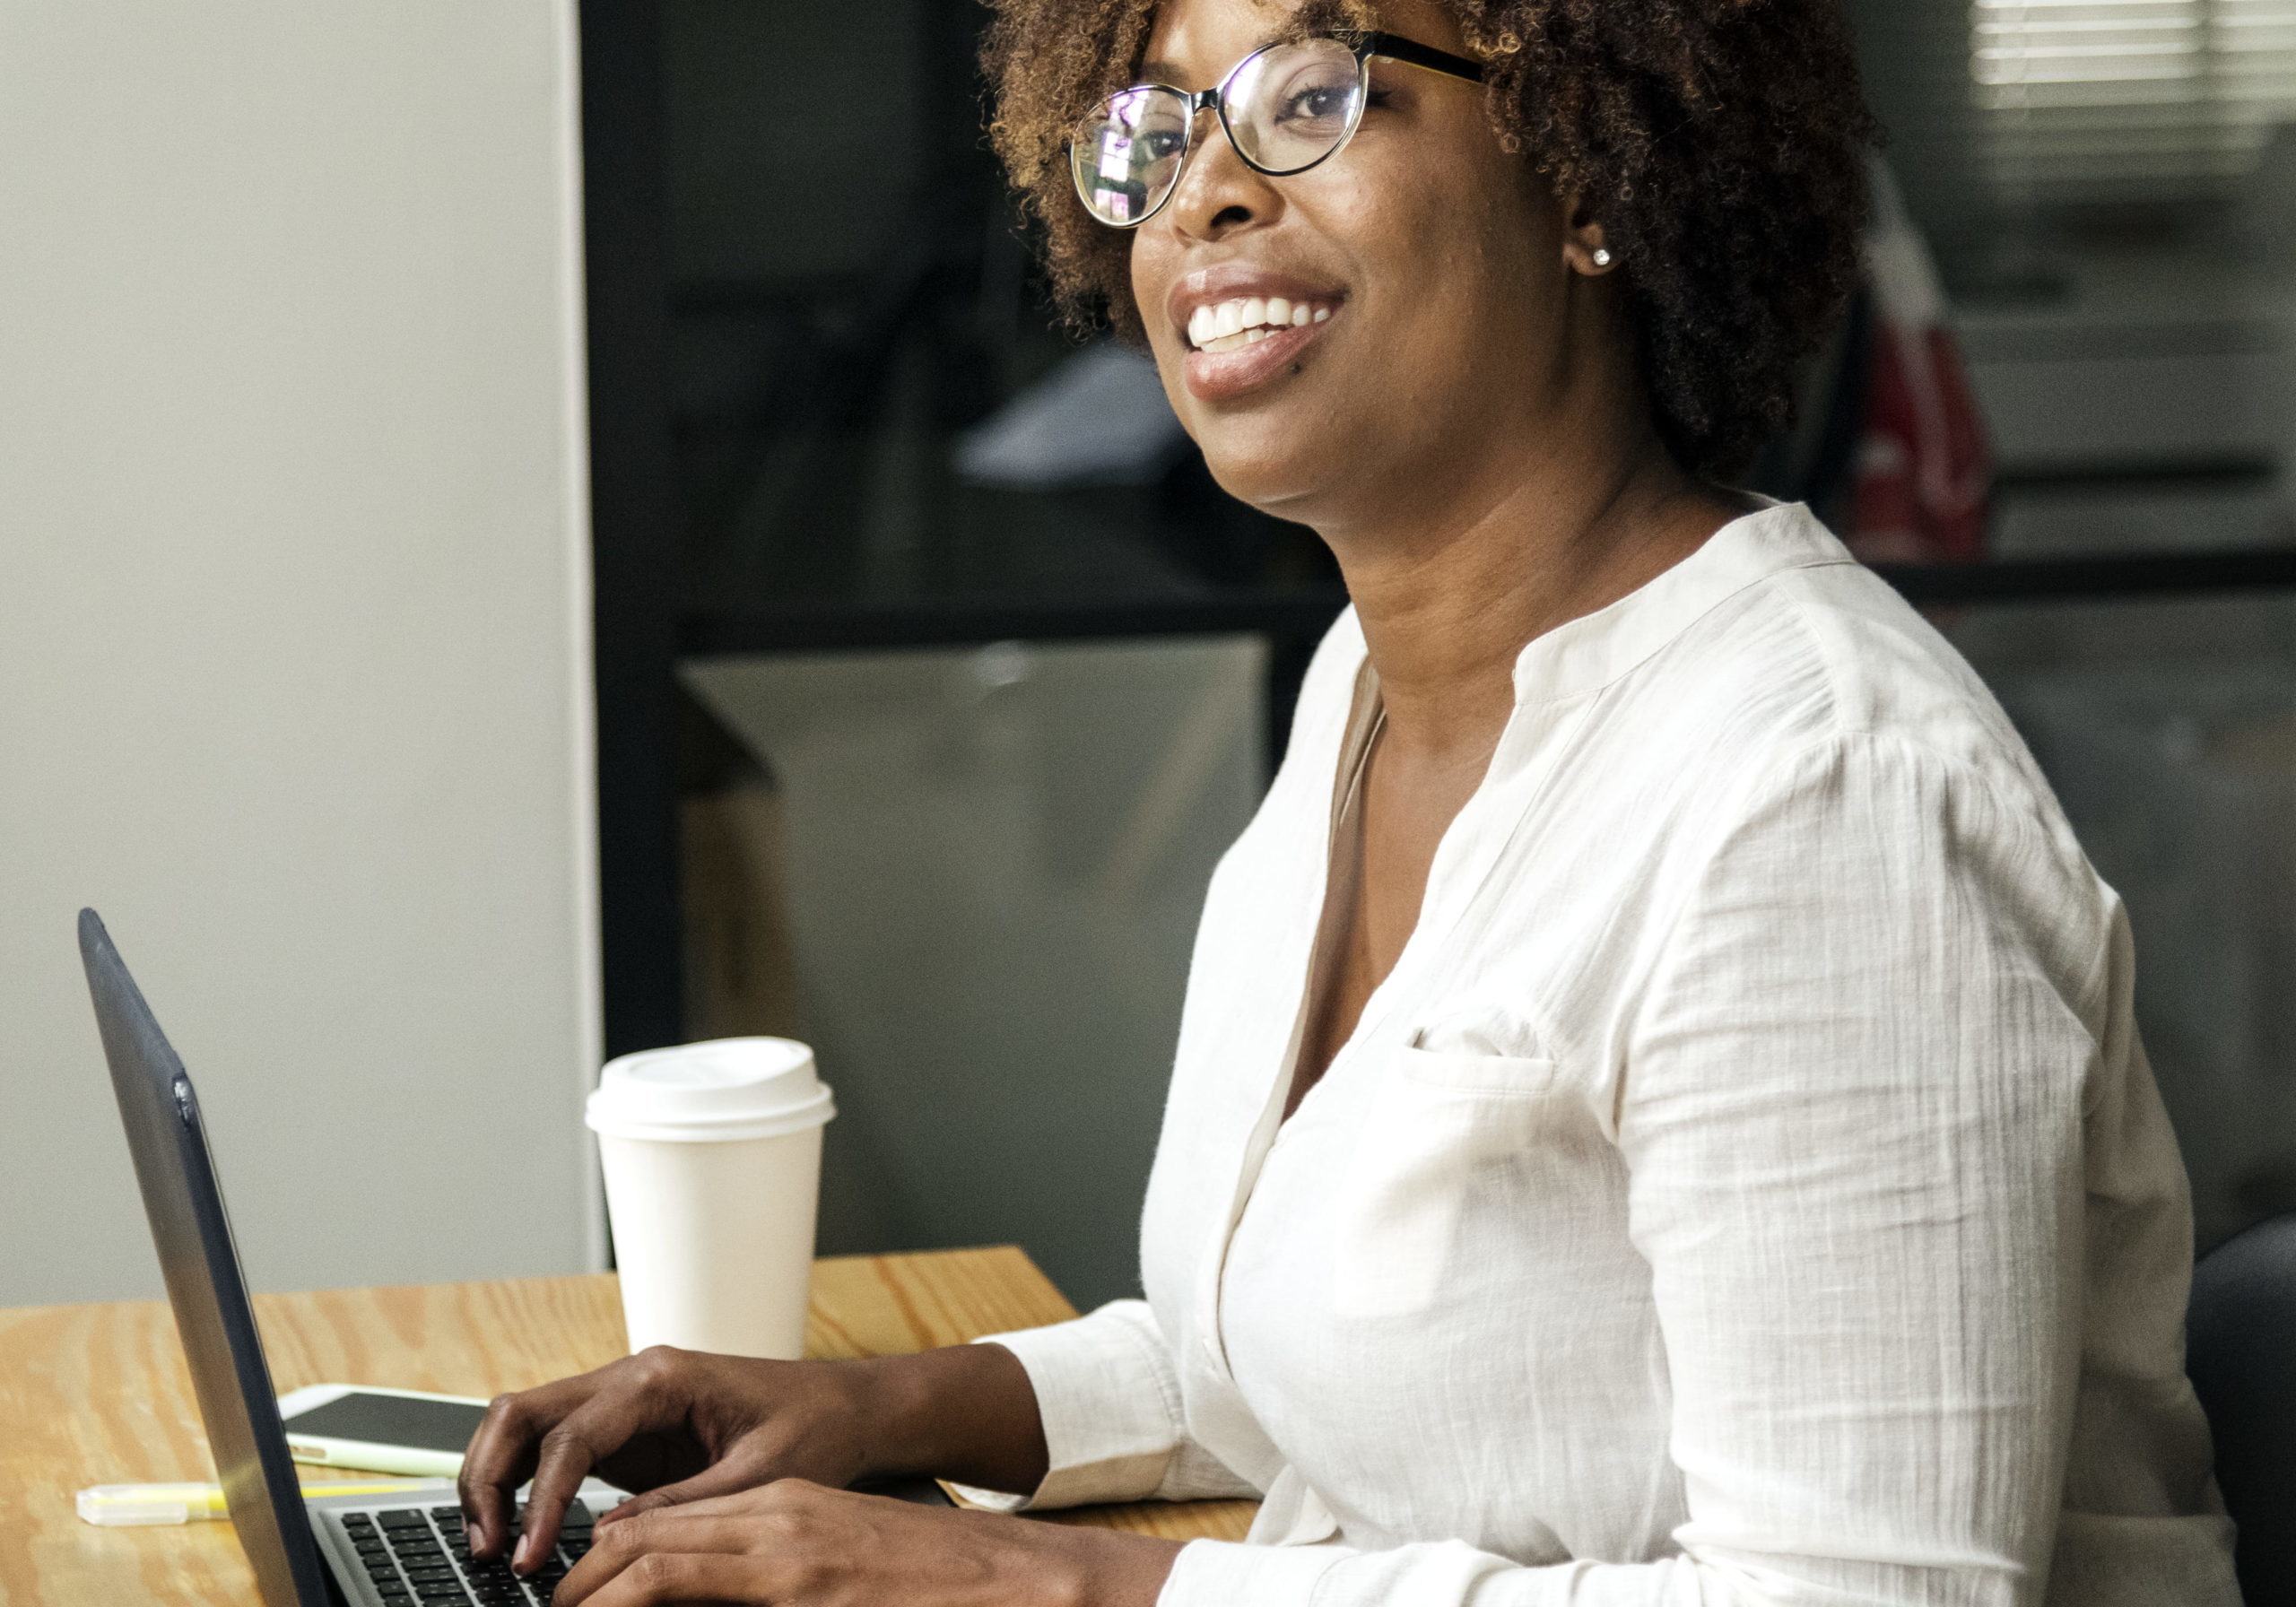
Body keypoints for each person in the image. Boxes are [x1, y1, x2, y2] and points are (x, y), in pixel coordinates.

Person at [460, 0, 2244, 1600]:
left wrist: (1024, 1586)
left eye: (1311, 92)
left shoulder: (1817, 797)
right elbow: (1311, 1360)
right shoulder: (1364, 692)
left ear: (1583, 178)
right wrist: (872, 1405)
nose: (1201, 194)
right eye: (1155, 128)